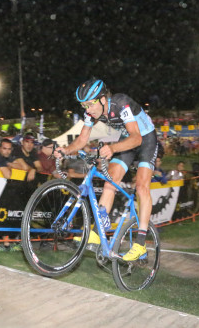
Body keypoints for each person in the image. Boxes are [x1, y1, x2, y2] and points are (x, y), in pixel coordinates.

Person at [55, 78, 158, 261]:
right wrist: (66, 150)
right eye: (83, 105)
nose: (87, 110)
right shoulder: (91, 113)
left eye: (89, 104)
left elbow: (137, 138)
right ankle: (96, 232)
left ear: (102, 99)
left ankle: (141, 243)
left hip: (145, 140)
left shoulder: (121, 103)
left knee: (142, 186)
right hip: (127, 142)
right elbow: (82, 139)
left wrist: (113, 148)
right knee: (110, 181)